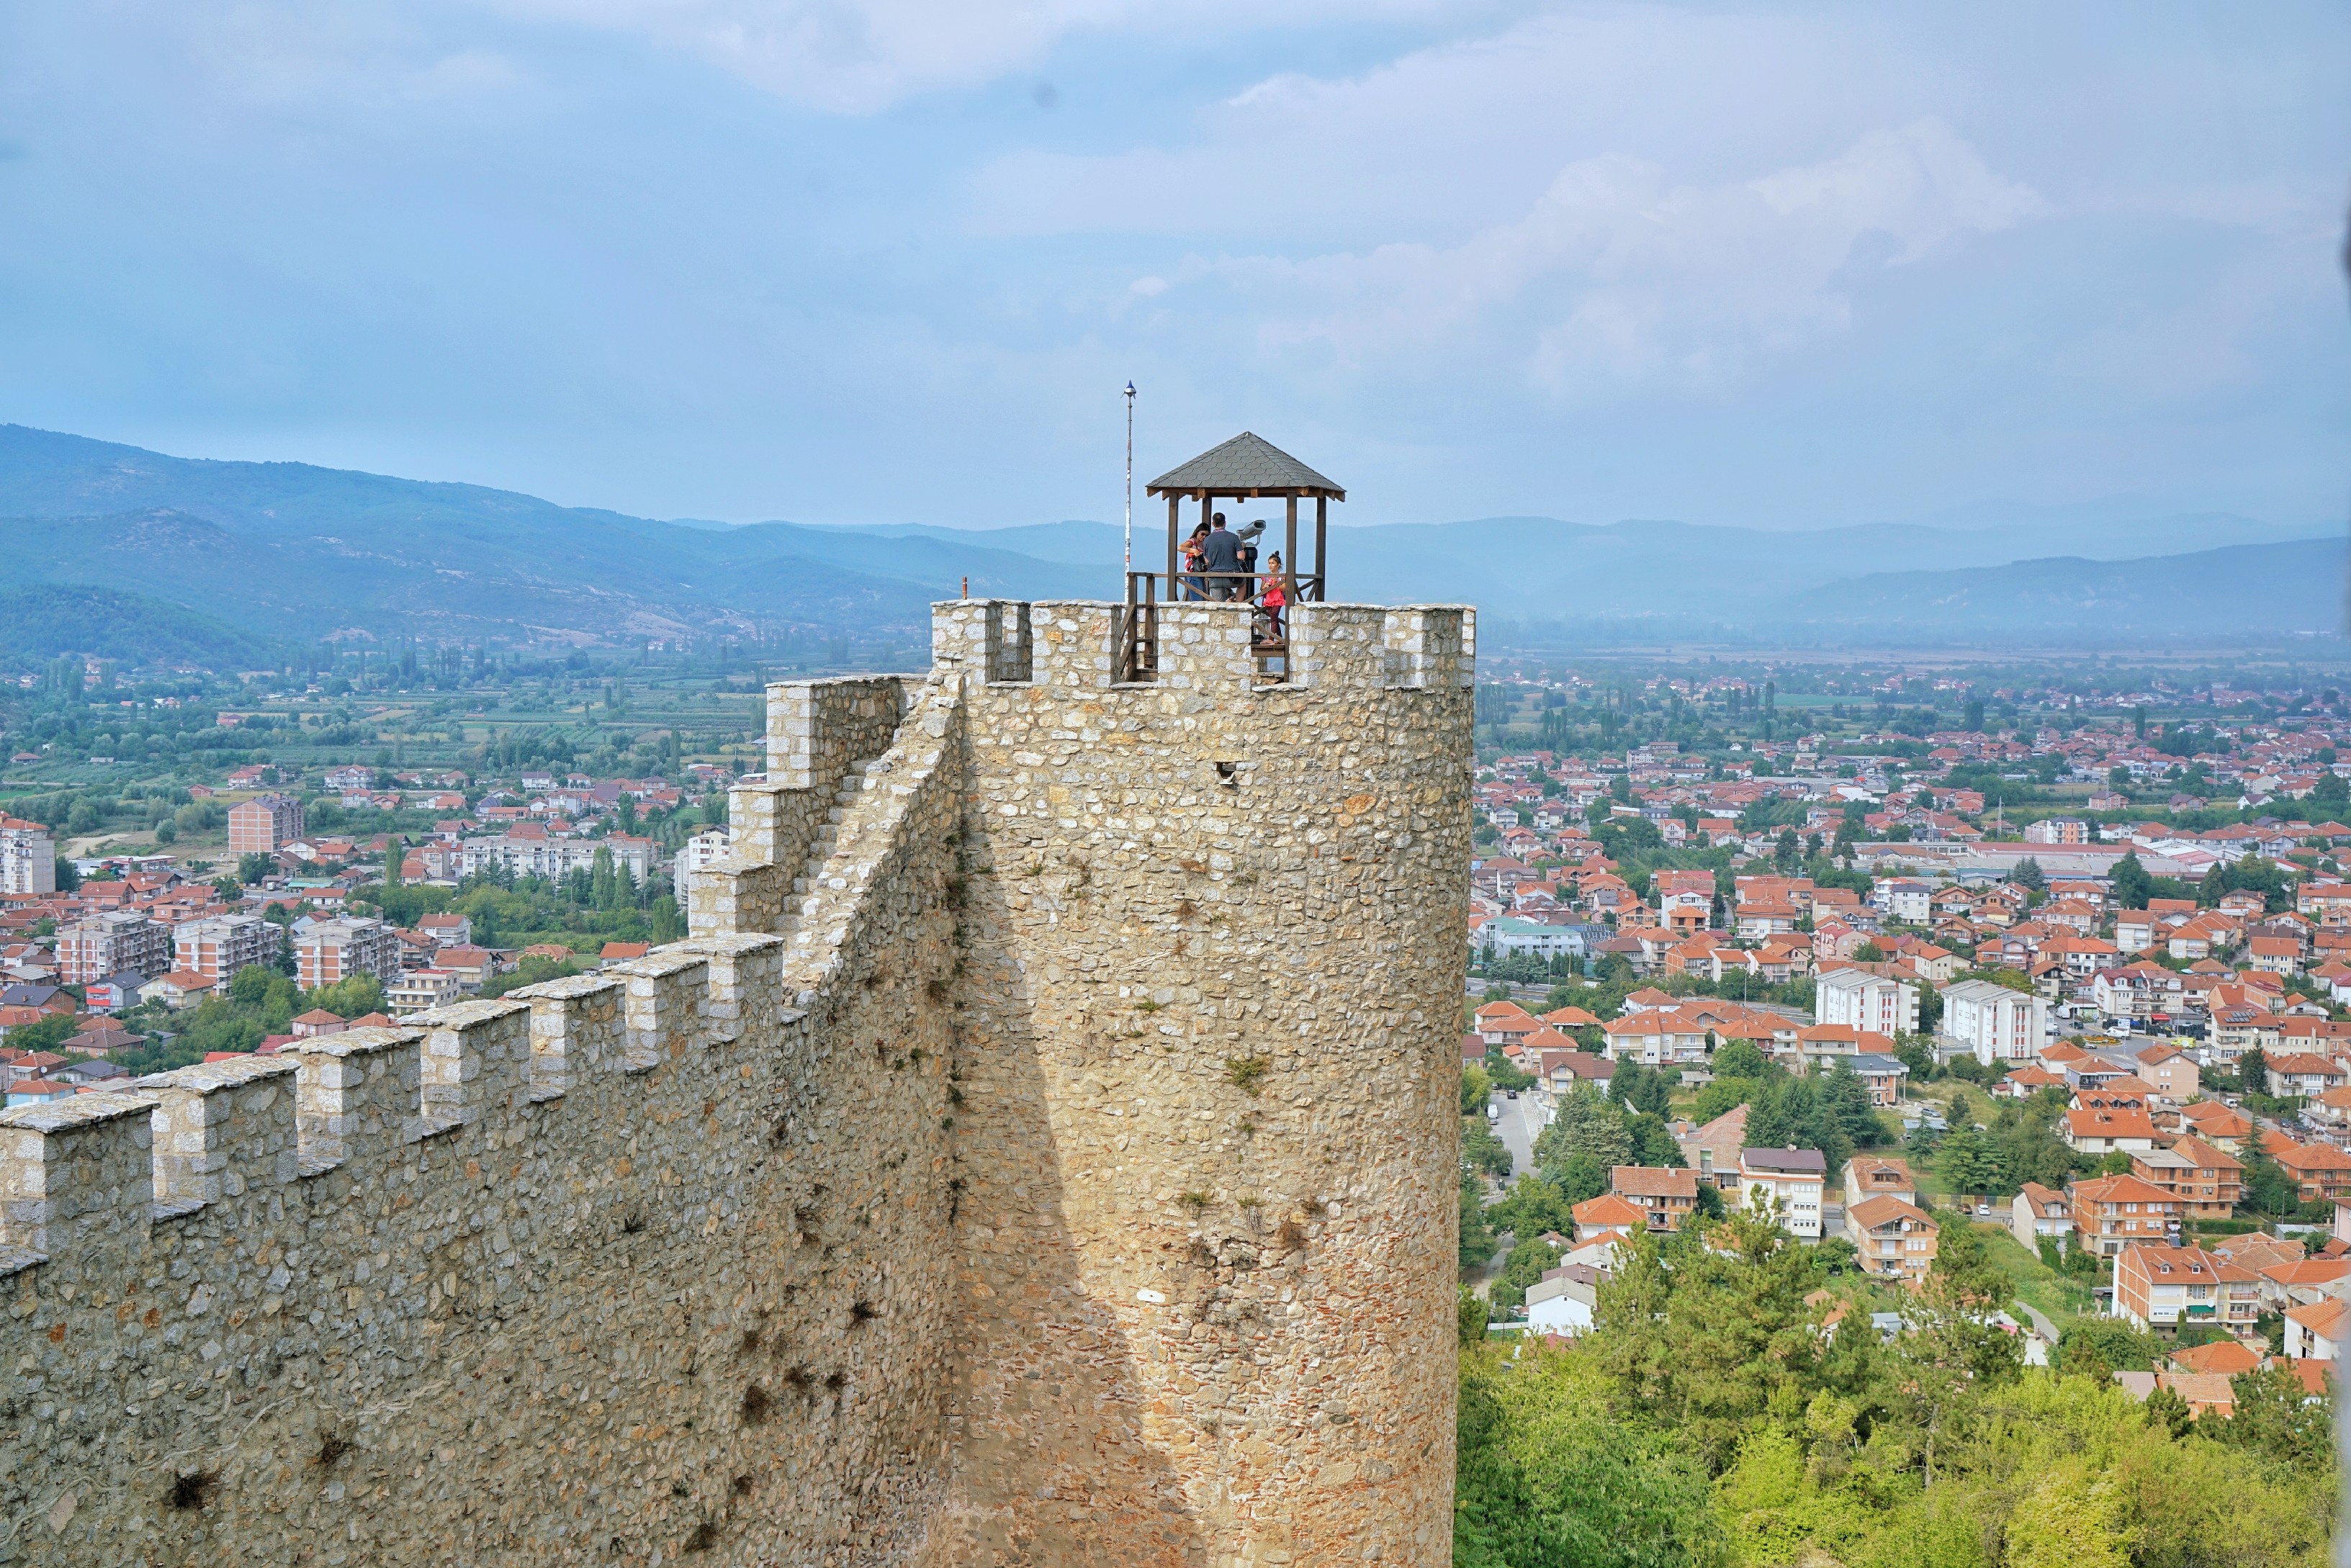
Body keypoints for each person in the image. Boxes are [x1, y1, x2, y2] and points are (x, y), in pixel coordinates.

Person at [1199, 512, 1244, 600]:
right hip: (1232, 578)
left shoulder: (1207, 540)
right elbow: (1241, 556)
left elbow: (1207, 561)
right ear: (1225, 523)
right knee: (1243, 583)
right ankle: (1239, 606)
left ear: (1213, 524)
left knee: (1219, 606)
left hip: (1214, 578)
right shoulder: (1233, 537)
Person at [1259, 551, 1287, 641]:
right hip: (1269, 599)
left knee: (1274, 618)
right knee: (1274, 618)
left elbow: (1283, 588)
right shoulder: (1266, 576)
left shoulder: (1282, 577)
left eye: (1273, 563)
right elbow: (1262, 589)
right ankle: (1279, 638)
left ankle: (1271, 639)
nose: (1271, 565)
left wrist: (1276, 582)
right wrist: (1265, 586)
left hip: (1278, 599)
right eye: (1269, 563)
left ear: (1278, 565)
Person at [1179, 523, 1210, 600]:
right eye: (1202, 534)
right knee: (1198, 600)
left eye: (1206, 535)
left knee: (1202, 599)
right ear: (1197, 532)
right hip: (1192, 574)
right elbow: (1180, 548)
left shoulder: (1202, 544)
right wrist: (1193, 550)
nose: (1204, 537)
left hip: (1200, 573)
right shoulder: (1192, 541)